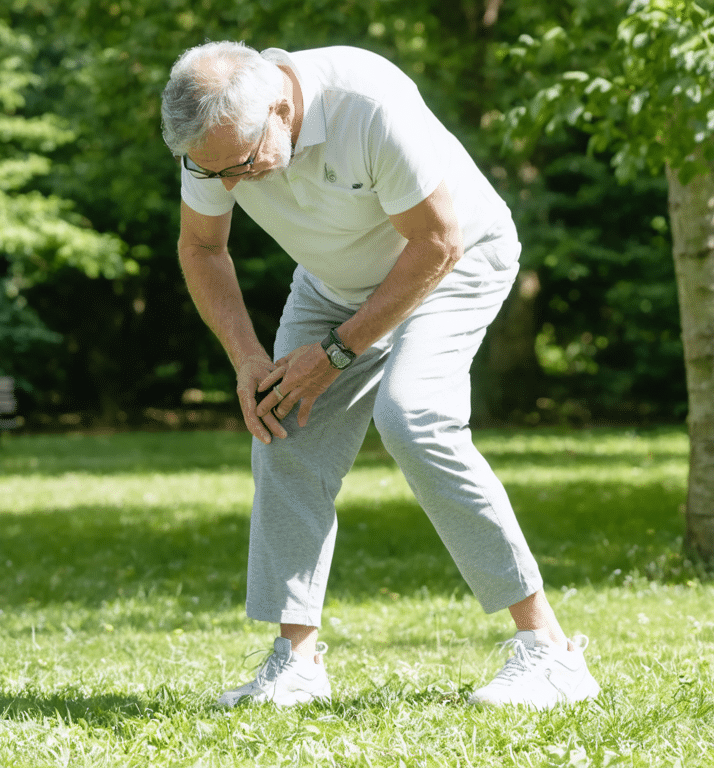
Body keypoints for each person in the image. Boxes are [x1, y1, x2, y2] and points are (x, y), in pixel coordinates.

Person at [160, 40, 599, 710]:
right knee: (280, 428)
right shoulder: (216, 138)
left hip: (453, 261)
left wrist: (336, 352)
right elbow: (200, 245)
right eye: (208, 171)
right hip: (334, 284)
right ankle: (296, 664)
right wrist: (249, 358)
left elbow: (439, 240)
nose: (227, 185)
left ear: (280, 108)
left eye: (242, 167)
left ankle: (550, 654)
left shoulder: (366, 103)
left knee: (414, 419)